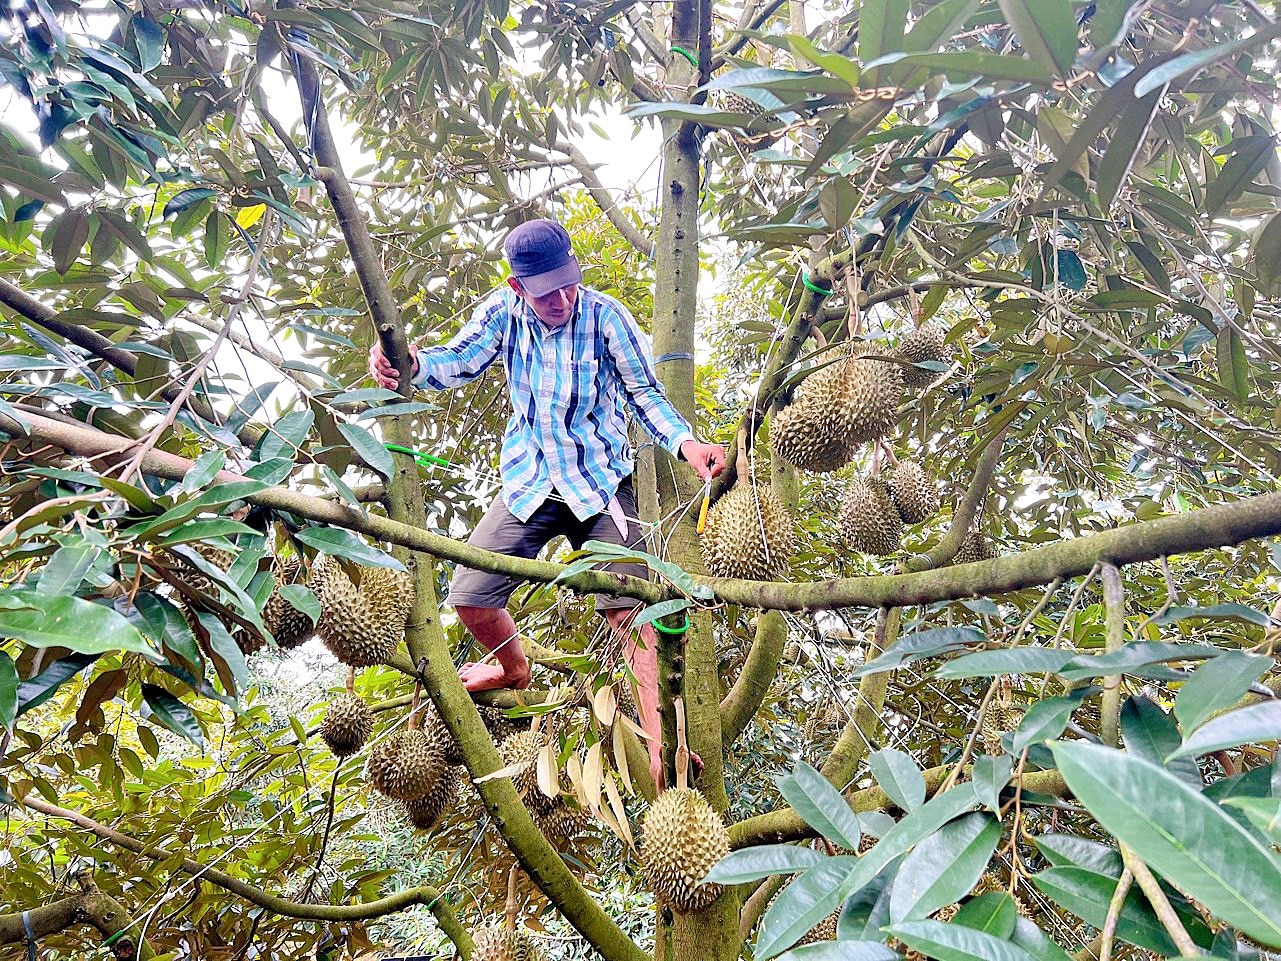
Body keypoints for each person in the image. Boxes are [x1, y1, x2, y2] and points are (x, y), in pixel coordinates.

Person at [368, 217, 725, 789]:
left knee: (633, 609)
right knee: (470, 596)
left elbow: (646, 395)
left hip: (603, 483)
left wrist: (689, 445)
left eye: (568, 284)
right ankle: (513, 668)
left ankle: (663, 748)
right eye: (545, 292)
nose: (561, 299)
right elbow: (455, 360)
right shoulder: (502, 314)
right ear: (517, 288)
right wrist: (406, 364)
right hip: (532, 480)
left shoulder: (606, 316)